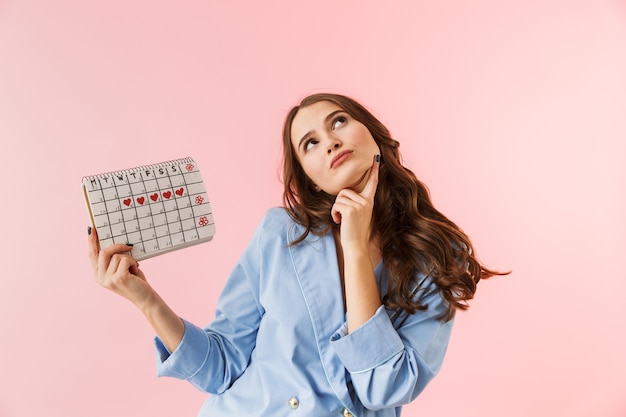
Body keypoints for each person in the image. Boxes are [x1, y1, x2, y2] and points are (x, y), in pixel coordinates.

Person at [87, 93, 504, 416]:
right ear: (313, 182)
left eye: (338, 121)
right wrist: (143, 297)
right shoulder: (281, 233)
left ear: (374, 137)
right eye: (310, 143)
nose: (330, 142)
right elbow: (222, 366)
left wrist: (356, 248)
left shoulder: (437, 255)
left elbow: (383, 388)